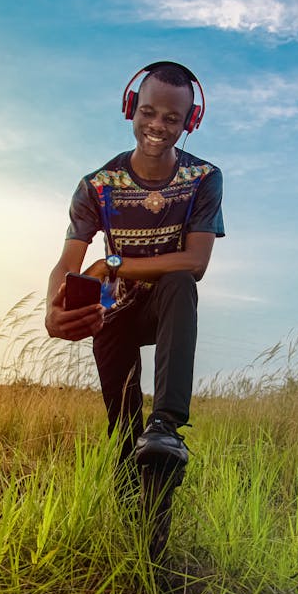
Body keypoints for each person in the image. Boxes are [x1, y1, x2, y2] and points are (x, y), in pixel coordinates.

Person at [45, 60, 224, 500]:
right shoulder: (97, 186)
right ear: (131, 107)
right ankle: (129, 526)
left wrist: (113, 264)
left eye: (172, 118)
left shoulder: (203, 178)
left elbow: (196, 260)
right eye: (148, 112)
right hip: (116, 315)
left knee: (181, 282)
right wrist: (52, 308)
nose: (157, 125)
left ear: (190, 122)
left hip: (169, 307)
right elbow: (68, 260)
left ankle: (166, 425)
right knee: (124, 436)